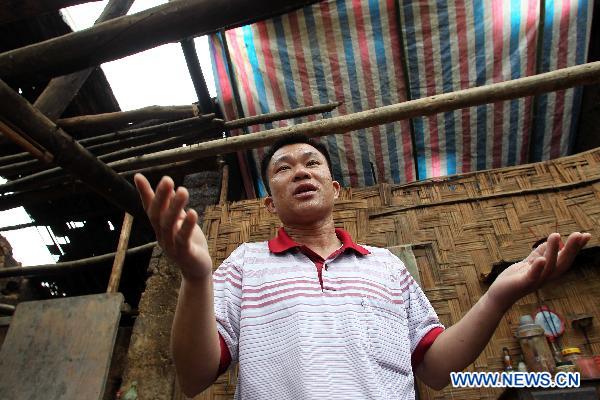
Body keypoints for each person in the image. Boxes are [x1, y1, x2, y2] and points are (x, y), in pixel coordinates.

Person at [133, 135, 591, 399]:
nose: (300, 171)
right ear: (269, 203)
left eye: (312, 163)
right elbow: (194, 378)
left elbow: (434, 369)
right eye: (283, 168)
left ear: (335, 188)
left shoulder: (387, 267)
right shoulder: (244, 266)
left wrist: (498, 296)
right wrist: (195, 277)